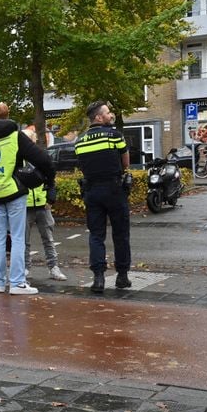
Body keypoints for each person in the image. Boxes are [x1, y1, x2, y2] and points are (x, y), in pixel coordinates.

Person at [0, 103, 55, 295]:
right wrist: (48, 179)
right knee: (18, 238)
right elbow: (43, 160)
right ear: (7, 115)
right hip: (15, 193)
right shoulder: (16, 137)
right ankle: (17, 283)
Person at [74, 101, 131, 293]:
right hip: (114, 189)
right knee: (120, 234)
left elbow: (82, 165)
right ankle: (122, 276)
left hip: (92, 191)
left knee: (96, 235)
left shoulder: (80, 141)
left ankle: (98, 278)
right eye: (108, 112)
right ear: (99, 117)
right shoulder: (115, 135)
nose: (111, 115)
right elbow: (125, 163)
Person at [21, 129, 67, 282]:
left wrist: (50, 199)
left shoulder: (40, 158)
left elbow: (51, 179)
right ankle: (25, 268)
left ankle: (53, 268)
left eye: (29, 139)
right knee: (24, 240)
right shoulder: (17, 159)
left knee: (48, 239)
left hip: (42, 205)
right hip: (24, 206)